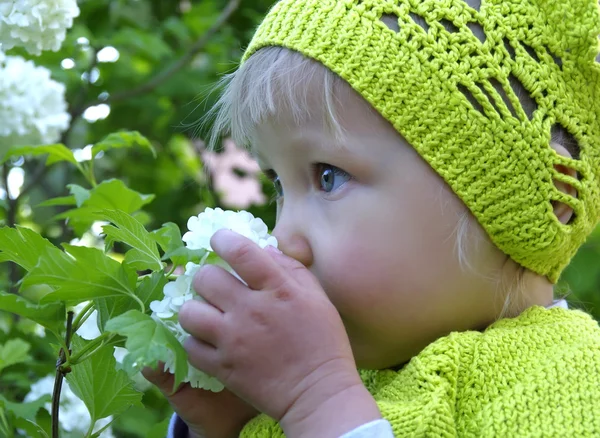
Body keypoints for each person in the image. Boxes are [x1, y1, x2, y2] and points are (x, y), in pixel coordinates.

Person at [144, 0, 600, 436]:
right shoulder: (332, 380)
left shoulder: (569, 378)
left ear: (536, 194)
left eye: (328, 177)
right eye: (278, 185)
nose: (284, 240)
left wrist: (318, 402)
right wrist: (228, 426)